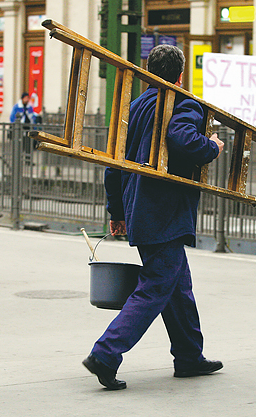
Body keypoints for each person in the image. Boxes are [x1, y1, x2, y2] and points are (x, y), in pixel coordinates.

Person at [82, 44, 225, 390]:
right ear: (180, 76)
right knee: (156, 287)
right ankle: (106, 353)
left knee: (178, 287)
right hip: (165, 212)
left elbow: (113, 163)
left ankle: (189, 356)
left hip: (139, 208)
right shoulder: (181, 102)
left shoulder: (135, 106)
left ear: (149, 71)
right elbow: (184, 140)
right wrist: (214, 147)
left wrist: (117, 210)